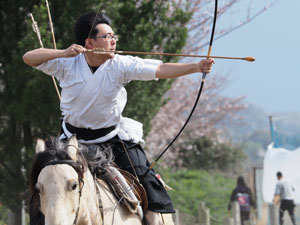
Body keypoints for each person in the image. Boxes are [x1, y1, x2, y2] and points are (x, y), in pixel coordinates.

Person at [23, 12, 214, 225]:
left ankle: (153, 220)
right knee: (47, 182)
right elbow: (28, 57)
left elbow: (159, 69)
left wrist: (195, 67)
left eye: (114, 37)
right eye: (107, 37)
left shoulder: (120, 65)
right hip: (72, 141)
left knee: (146, 179)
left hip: (112, 138)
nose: (113, 41)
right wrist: (63, 52)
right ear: (89, 42)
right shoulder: (66, 62)